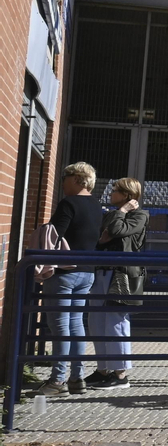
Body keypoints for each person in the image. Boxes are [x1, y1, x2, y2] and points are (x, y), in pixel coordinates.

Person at [30, 163, 104, 396]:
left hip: (64, 272)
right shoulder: (97, 205)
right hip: (87, 272)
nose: (62, 182)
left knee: (60, 325)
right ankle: (77, 377)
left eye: (66, 177)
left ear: (78, 179)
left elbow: (55, 233)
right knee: (76, 323)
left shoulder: (68, 203)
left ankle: (57, 381)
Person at [85, 178, 148, 391]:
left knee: (116, 322)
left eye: (115, 190)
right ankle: (103, 370)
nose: (111, 193)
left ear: (127, 194)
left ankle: (120, 374)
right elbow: (99, 236)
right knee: (96, 321)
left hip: (120, 275)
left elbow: (117, 230)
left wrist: (121, 212)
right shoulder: (112, 213)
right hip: (102, 271)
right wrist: (117, 215)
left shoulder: (140, 215)